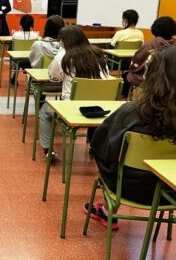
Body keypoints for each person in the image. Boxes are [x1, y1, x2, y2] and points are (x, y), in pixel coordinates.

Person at [86, 46, 176, 229]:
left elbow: (100, 145)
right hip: (170, 191)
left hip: (126, 188)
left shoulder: (131, 112)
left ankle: (106, 209)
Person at [39, 26, 110, 157]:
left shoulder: (63, 55)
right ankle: (94, 146)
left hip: (73, 108)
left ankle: (48, 149)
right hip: (100, 107)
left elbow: (53, 77)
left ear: (63, 41)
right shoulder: (99, 54)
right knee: (91, 99)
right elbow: (106, 76)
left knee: (44, 111)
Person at [126, 16, 176, 88]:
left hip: (150, 85)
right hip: (172, 85)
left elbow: (134, 66)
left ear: (155, 29)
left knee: (130, 74)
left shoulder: (148, 46)